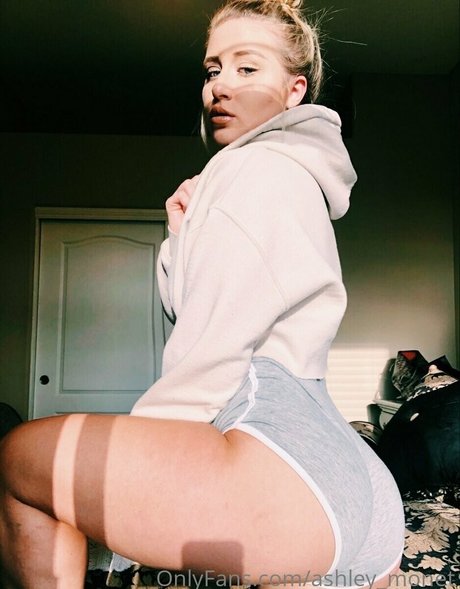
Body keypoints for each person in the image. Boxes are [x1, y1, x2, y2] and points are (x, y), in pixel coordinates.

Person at [0, 1, 405, 588]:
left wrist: (142, 483)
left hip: (281, 460)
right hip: (350, 473)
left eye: (248, 67)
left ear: (294, 91)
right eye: (213, 69)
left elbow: (210, 345)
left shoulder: (252, 169)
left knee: (20, 460)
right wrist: (181, 237)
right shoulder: (295, 174)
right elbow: (224, 307)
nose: (221, 86)